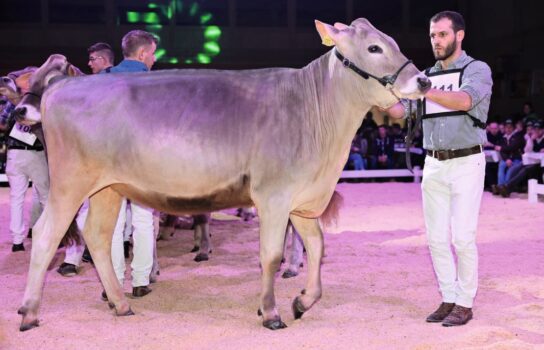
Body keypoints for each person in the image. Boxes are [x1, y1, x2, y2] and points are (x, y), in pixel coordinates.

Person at [387, 11, 492, 326]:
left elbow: (464, 100)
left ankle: (465, 302)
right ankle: (448, 297)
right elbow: (399, 111)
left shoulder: (477, 69)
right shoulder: (426, 74)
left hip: (466, 161)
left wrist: (423, 89)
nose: (436, 41)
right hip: (433, 162)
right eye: (433, 35)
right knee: (435, 238)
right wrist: (376, 95)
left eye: (443, 34)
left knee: (463, 237)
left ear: (459, 35)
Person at [101, 30, 158, 299]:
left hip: (106, 160)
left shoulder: (101, 79)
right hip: (142, 161)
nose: (154, 59)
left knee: (111, 223)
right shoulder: (155, 83)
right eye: (153, 53)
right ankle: (140, 281)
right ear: (143, 53)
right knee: (143, 221)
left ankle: (112, 281)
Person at [56, 42, 117, 276]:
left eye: (92, 59)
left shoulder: (116, 82)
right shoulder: (86, 85)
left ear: (103, 60)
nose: (89, 63)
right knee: (79, 205)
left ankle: (98, 250)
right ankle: (74, 257)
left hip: (110, 155)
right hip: (86, 153)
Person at [0, 67, 49, 253]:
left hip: (15, 153)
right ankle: (47, 234)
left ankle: (17, 241)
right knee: (45, 196)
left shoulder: (14, 101)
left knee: (16, 197)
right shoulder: (41, 99)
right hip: (35, 153)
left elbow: (3, 124)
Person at [492, 118, 525, 194]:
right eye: (506, 127)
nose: (508, 129)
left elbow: (513, 147)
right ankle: (500, 186)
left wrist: (501, 148)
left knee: (511, 169)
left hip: (517, 158)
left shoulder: (518, 136)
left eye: (510, 127)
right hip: (507, 159)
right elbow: (502, 152)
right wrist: (507, 159)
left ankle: (506, 187)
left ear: (513, 128)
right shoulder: (503, 138)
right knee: (501, 165)